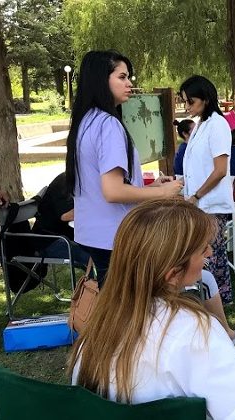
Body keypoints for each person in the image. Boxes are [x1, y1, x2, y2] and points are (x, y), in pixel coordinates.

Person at [69, 199, 235, 420]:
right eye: (202, 249)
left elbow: (154, 380)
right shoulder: (191, 331)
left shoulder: (97, 330)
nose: (210, 253)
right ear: (173, 273)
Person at [65, 50, 183, 286]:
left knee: (114, 303)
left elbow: (103, 184)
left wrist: (147, 186)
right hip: (116, 235)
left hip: (94, 233)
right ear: (101, 79)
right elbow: (113, 191)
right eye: (122, 77)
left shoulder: (85, 121)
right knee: (128, 309)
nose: (129, 83)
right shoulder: (109, 125)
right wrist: (162, 193)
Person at [179, 75, 235, 305]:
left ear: (205, 99)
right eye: (184, 102)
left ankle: (217, 301)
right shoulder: (200, 124)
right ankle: (213, 299)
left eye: (190, 102)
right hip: (197, 201)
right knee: (206, 254)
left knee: (211, 255)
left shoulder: (218, 124)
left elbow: (220, 169)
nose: (186, 107)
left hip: (208, 202)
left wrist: (197, 195)